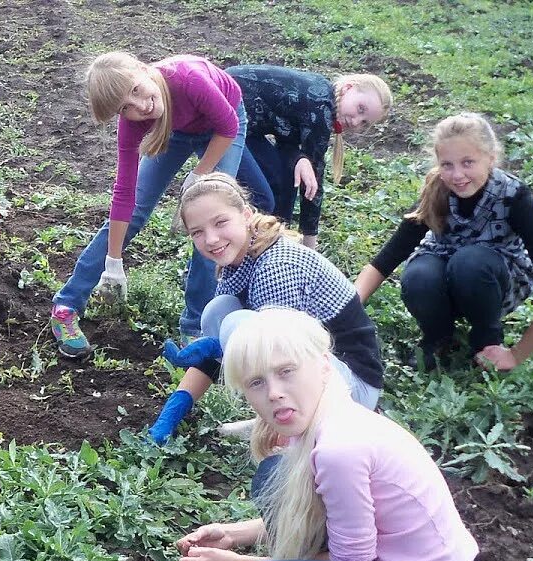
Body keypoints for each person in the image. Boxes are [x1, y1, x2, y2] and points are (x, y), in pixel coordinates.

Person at [174, 309, 477, 561]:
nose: (274, 392)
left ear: (323, 366)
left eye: (286, 371)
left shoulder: (339, 446)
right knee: (274, 477)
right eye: (257, 382)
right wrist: (234, 534)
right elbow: (323, 516)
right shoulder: (322, 422)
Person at [50, 51, 262, 359]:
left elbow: (228, 126)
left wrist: (200, 173)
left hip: (222, 126)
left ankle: (196, 325)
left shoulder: (188, 79)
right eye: (125, 107)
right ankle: (67, 305)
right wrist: (113, 261)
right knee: (136, 209)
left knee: (209, 219)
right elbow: (124, 193)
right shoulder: (136, 121)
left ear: (144, 69)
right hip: (172, 129)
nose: (140, 107)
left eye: (136, 90)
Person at [148, 174, 382, 444]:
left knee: (238, 325)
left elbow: (286, 359)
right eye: (197, 232)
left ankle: (293, 435)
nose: (211, 239)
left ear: (246, 215)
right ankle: (274, 420)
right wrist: (174, 409)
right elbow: (219, 355)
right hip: (313, 371)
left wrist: (216, 347)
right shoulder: (238, 260)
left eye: (220, 222)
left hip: (350, 389)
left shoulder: (275, 268)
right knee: (218, 311)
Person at [355, 112, 533, 371]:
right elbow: (387, 258)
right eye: (447, 164)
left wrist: (516, 355)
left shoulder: (513, 196)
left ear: (491, 158)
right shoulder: (437, 188)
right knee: (418, 277)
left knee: (470, 262)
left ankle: (486, 341)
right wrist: (345, 307)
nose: (457, 175)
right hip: (443, 274)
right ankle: (438, 339)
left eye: (468, 162)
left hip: (492, 280)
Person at [227, 65, 392, 249]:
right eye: (360, 109)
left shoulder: (323, 92)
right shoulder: (321, 106)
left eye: (364, 122)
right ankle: (245, 248)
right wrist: (310, 245)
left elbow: (284, 133)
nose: (355, 122)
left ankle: (277, 243)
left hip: (247, 130)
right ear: (348, 88)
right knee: (264, 198)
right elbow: (313, 185)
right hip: (224, 115)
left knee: (286, 177)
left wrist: (299, 158)